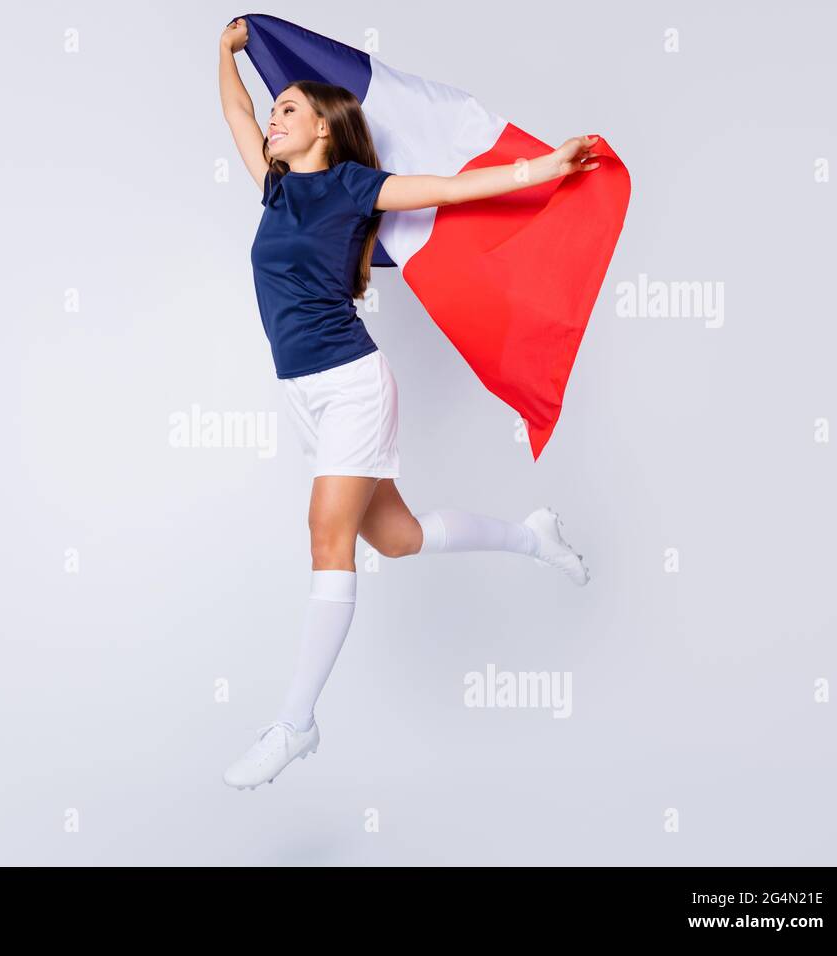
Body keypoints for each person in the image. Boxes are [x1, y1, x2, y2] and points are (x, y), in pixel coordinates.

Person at [218, 17, 595, 790]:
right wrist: (223, 53)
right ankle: (532, 536)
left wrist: (547, 165)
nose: (273, 118)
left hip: (351, 382)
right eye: (275, 111)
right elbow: (234, 116)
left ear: (324, 126)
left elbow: (455, 188)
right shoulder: (276, 187)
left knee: (329, 539)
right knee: (396, 537)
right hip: (304, 395)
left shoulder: (357, 188)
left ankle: (295, 722)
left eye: (288, 107)